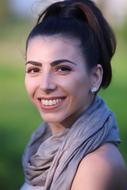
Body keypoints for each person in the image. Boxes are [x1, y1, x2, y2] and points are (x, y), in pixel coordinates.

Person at [21, 0, 127, 189]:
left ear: (95, 77)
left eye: (62, 69)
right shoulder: (42, 144)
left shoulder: (96, 167)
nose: (45, 85)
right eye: (34, 69)